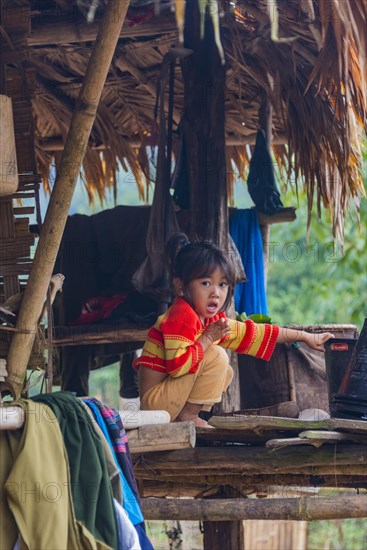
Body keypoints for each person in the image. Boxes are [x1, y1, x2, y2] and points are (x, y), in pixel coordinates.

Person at [133, 233, 334, 427]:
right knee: (216, 356)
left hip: (167, 401)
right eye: (205, 283)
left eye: (222, 284)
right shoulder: (180, 316)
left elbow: (255, 333)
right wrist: (208, 337)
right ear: (180, 286)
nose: (216, 292)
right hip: (155, 405)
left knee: (225, 370)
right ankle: (188, 416)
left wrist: (305, 336)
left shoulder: (209, 320)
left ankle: (185, 416)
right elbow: (177, 367)